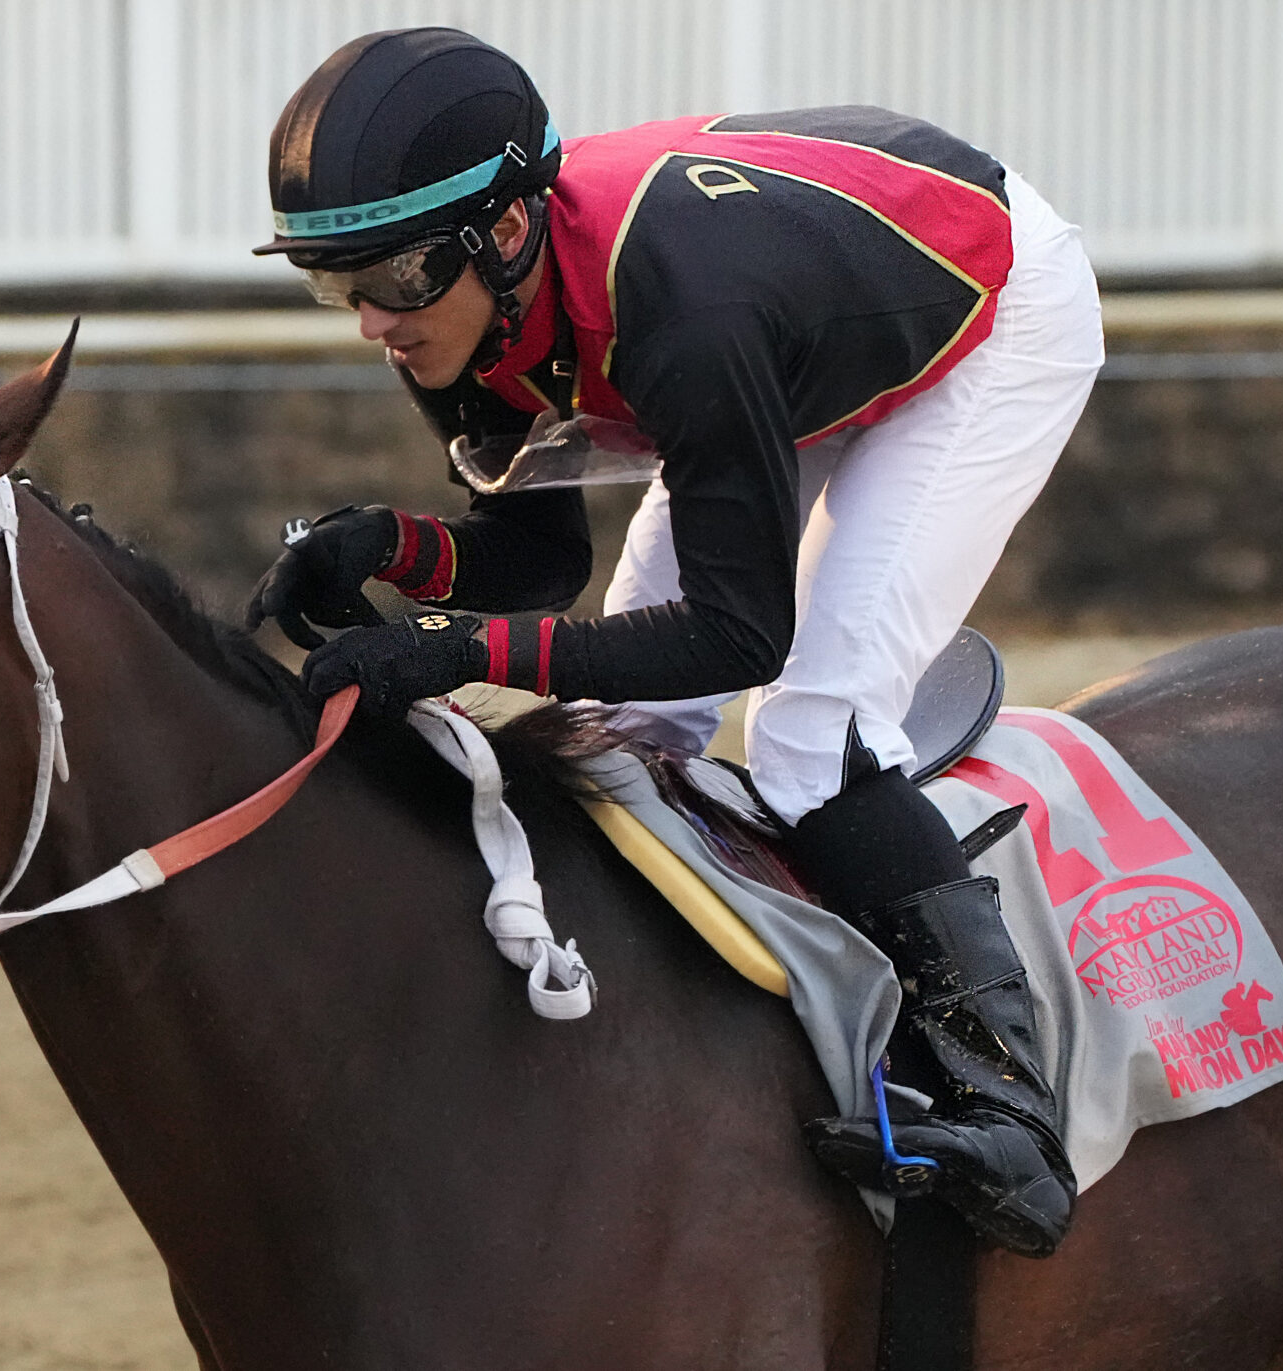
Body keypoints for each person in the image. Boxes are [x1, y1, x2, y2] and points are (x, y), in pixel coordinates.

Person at [244, 27, 1103, 1258]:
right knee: (627, 735)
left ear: (502, 232)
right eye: (339, 287)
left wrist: (457, 651)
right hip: (799, 314)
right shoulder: (458, 302)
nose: (373, 324)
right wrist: (382, 545)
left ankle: (1009, 1105)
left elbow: (735, 633)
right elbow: (540, 559)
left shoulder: (683, 321)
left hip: (989, 304)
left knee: (812, 736)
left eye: (393, 283)